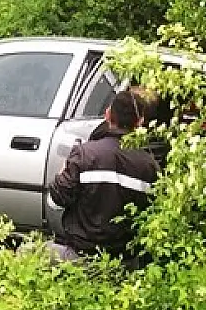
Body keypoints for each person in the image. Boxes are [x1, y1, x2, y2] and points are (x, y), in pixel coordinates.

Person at [45, 87, 159, 263]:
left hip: (79, 257)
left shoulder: (84, 154)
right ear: (140, 122)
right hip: (122, 262)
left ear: (107, 115)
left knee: (33, 251)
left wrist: (62, 174)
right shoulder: (149, 166)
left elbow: (54, 202)